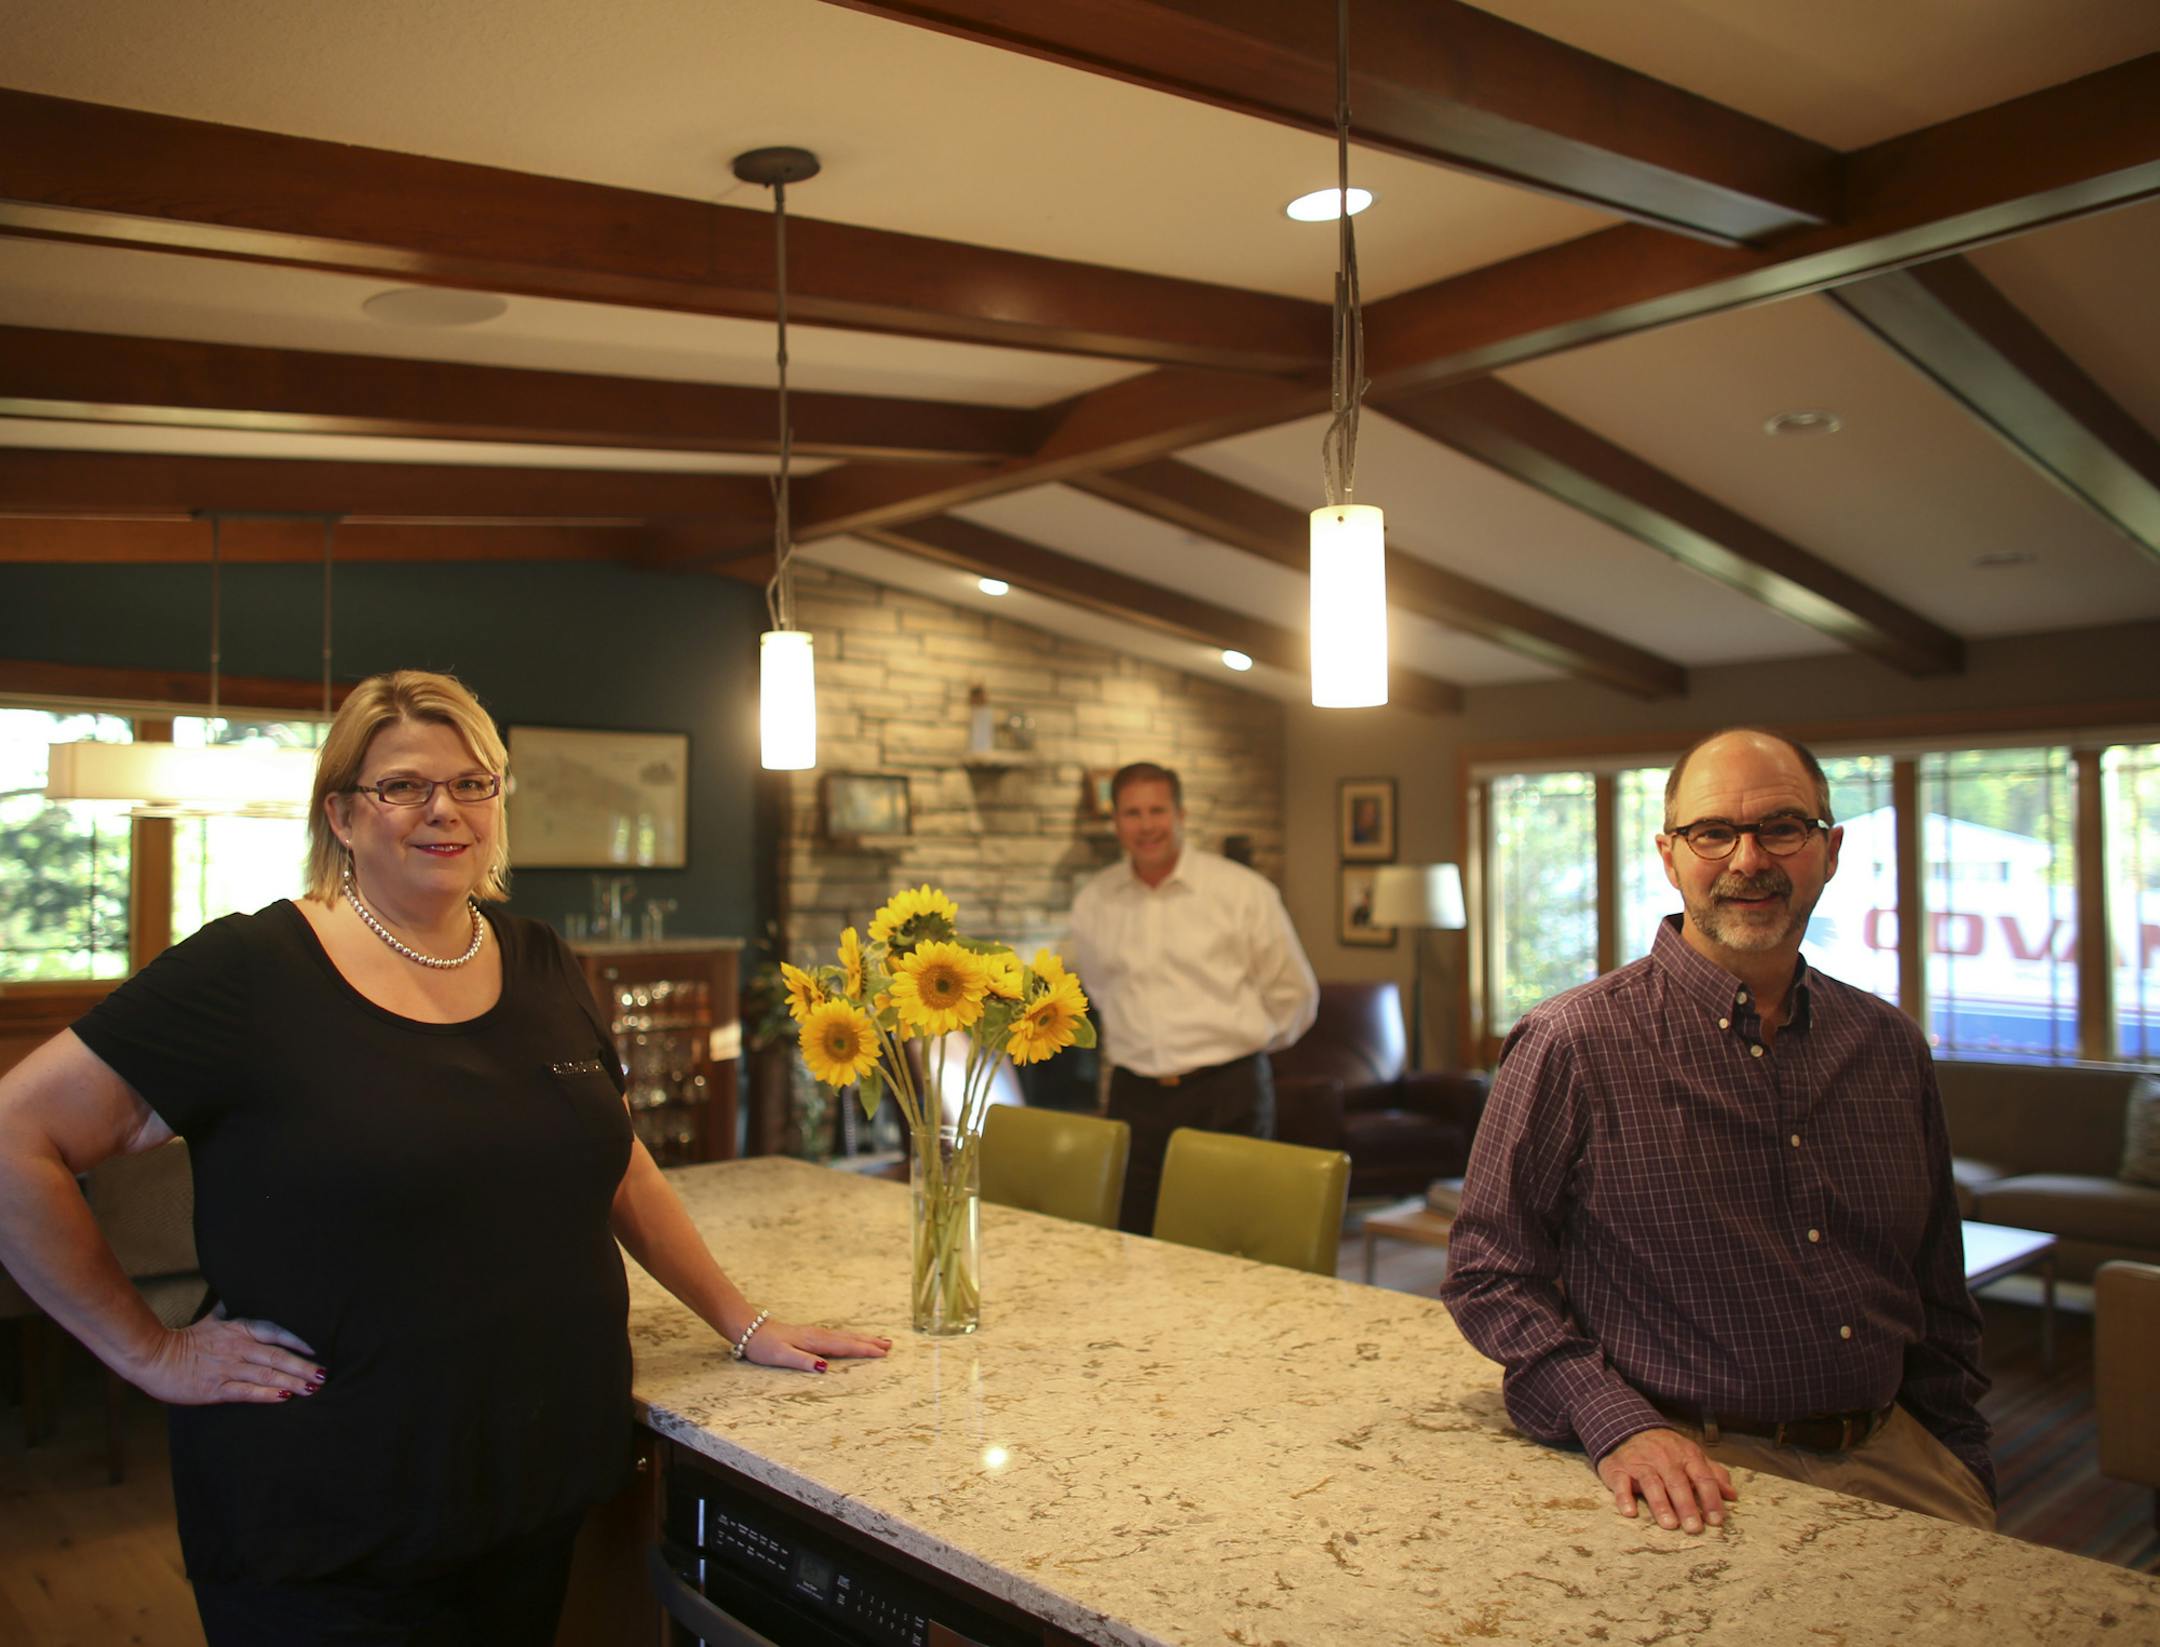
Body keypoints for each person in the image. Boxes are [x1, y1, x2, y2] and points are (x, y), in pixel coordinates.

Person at [0, 670, 889, 1644]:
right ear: (341, 813)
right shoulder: (249, 972)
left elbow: (617, 1159)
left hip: (534, 1481)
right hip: (332, 1515)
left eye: (474, 783)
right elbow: (14, 1139)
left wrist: (741, 1318)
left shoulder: (543, 959)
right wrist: (149, 1351)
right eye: (404, 786)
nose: (445, 810)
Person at [1441, 728, 1993, 1536]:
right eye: (1713, 832)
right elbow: (1489, 1270)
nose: (1747, 860)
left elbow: (1938, 1287)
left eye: (1781, 826)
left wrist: (1964, 1458)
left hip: (1899, 1455)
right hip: (1691, 1473)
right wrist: (1614, 1418)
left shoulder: (1889, 1044)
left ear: (1829, 849)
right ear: (1670, 856)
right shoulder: (1572, 1042)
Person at [1067, 761, 1319, 1234]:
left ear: (1182, 814)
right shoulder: (1094, 901)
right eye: (1132, 813)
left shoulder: (1243, 892)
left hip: (1227, 1091)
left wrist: (1243, 1043)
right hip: (1134, 1095)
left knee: (1227, 1237)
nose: (1146, 826)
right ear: (1115, 820)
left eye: (1157, 811)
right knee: (1133, 1239)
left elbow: (1294, 995)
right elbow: (1099, 989)